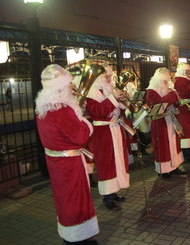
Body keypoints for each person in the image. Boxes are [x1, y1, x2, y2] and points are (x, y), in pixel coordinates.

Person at [35, 64, 99, 245]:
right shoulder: (62, 109)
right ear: (60, 88)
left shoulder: (44, 105)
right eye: (68, 85)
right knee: (75, 199)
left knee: (64, 199)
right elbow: (79, 136)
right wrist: (85, 122)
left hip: (56, 160)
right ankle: (77, 238)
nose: (72, 88)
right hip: (69, 163)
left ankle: (74, 236)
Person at [85, 65, 129, 210]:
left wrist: (123, 101)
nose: (110, 80)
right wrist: (113, 98)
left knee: (117, 162)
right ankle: (107, 196)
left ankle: (114, 191)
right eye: (107, 77)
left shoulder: (108, 89)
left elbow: (115, 109)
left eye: (110, 77)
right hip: (103, 131)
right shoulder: (92, 93)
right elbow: (97, 112)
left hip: (114, 129)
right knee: (107, 163)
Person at [146, 67, 185, 178]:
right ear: (158, 81)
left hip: (169, 120)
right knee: (162, 146)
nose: (167, 83)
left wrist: (176, 101)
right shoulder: (152, 91)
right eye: (164, 81)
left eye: (167, 81)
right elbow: (156, 104)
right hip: (160, 122)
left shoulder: (168, 89)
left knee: (173, 144)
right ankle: (163, 170)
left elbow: (171, 102)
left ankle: (174, 167)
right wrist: (172, 96)